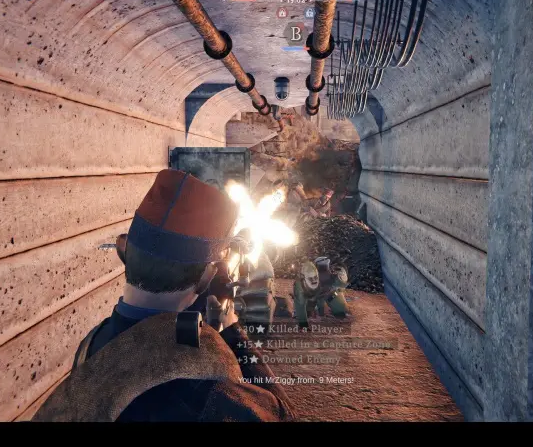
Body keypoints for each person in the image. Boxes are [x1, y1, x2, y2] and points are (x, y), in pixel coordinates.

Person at [32, 169, 295, 422]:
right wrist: (232, 332)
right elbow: (282, 414)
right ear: (207, 277)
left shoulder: (93, 342)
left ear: (123, 250)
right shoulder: (205, 391)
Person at [293, 257, 349, 328]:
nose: (314, 280)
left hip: (329, 294)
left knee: (340, 311)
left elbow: (342, 285)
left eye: (315, 277)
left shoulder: (332, 278)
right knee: (308, 308)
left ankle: (334, 311)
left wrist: (340, 278)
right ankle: (313, 311)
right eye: (311, 278)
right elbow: (299, 304)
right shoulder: (300, 285)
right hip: (313, 296)